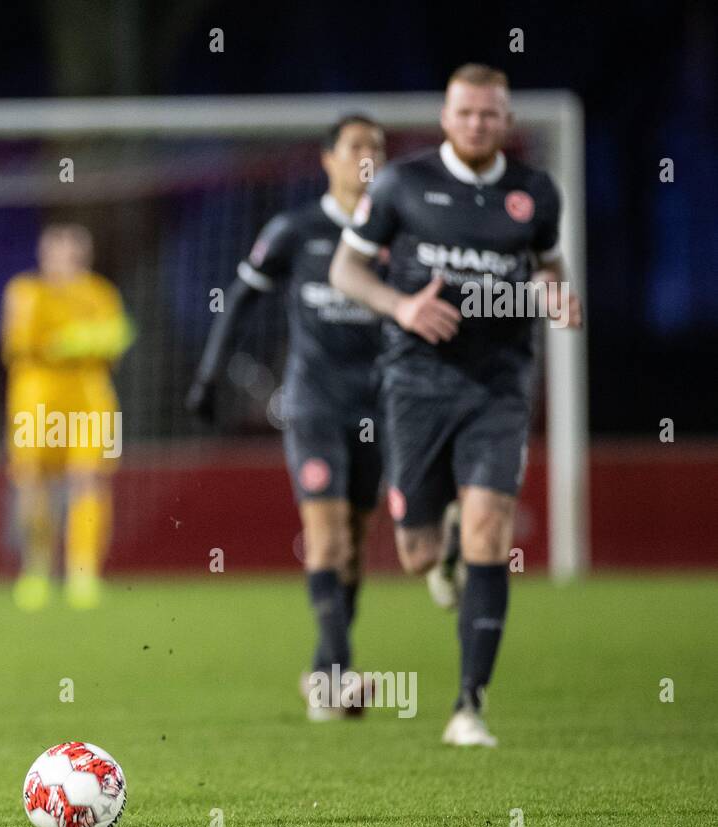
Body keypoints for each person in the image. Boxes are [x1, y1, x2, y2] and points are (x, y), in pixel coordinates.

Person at [329, 64, 583, 746]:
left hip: (499, 385)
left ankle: (468, 707)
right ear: (445, 117)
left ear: (506, 121)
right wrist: (401, 304)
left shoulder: (535, 193)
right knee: (414, 555)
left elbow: (549, 265)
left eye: (490, 114)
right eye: (465, 112)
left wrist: (555, 292)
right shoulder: (400, 184)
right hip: (414, 385)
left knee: (490, 530)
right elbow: (346, 270)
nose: (477, 123)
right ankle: (436, 553)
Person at [188, 116, 387, 719]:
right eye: (356, 147)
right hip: (313, 404)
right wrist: (207, 376)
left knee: (353, 546)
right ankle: (336, 675)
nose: (368, 157)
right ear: (328, 159)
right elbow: (242, 298)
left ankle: (321, 674)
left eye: (377, 148)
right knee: (325, 536)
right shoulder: (296, 230)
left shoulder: (397, 234)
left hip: (377, 409)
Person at [2, 224, 133, 611]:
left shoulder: (101, 293)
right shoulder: (26, 291)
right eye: (61, 254)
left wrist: (81, 340)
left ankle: (84, 573)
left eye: (77, 255)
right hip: (36, 398)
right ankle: (36, 571)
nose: (69, 262)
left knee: (89, 480)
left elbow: (117, 340)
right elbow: (23, 342)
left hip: (91, 399)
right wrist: (79, 340)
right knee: (32, 484)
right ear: (45, 256)